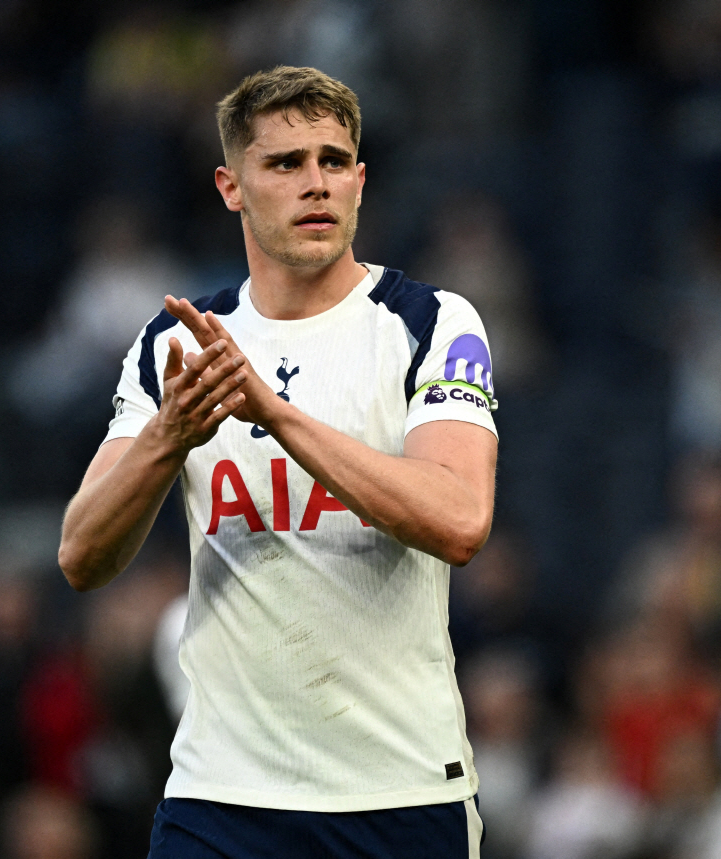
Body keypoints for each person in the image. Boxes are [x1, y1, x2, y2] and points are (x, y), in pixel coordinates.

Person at [58, 66, 498, 858]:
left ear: (361, 181)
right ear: (231, 186)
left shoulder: (431, 322)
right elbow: (82, 555)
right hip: (220, 797)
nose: (316, 183)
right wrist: (169, 434)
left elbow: (460, 518)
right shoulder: (176, 347)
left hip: (398, 793)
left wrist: (277, 416)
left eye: (334, 161)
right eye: (286, 164)